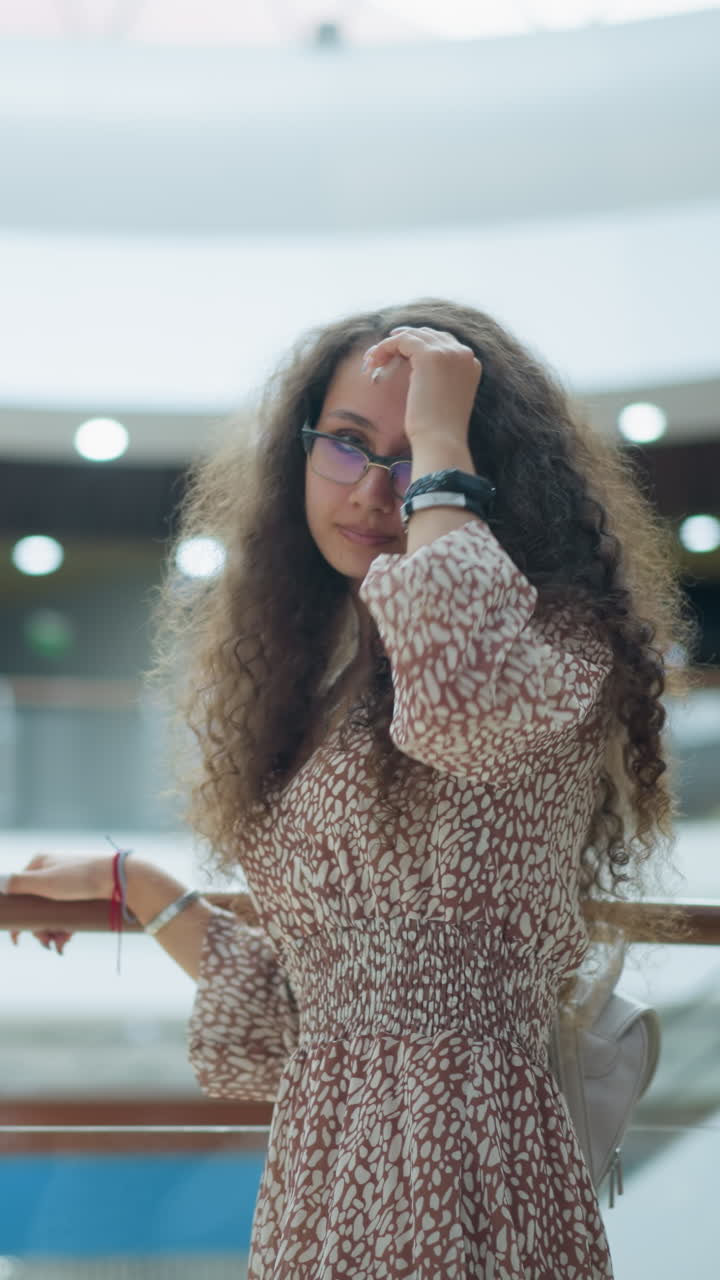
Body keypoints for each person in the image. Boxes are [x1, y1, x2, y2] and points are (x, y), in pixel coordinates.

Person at [5, 300, 690, 1278]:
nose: (374, 489)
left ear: (491, 484)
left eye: (413, 456)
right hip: (327, 1167)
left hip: (467, 1155)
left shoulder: (544, 644)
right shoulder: (335, 679)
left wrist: (446, 435)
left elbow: (463, 705)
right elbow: (313, 1015)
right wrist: (137, 885)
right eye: (349, 443)